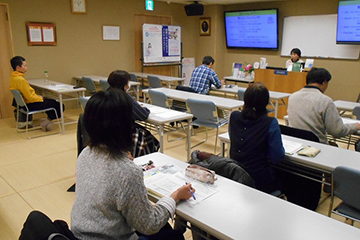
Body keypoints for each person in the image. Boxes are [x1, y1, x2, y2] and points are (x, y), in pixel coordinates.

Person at [71, 89, 195, 240]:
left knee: (165, 228)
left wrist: (122, 158)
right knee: (173, 236)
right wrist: (175, 196)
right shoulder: (126, 172)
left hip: (81, 233)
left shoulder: (86, 154)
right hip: (110, 237)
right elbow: (149, 225)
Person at [229, 83, 285, 194]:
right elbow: (277, 157)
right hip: (259, 180)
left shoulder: (234, 116)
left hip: (234, 174)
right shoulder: (271, 123)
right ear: (266, 102)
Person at [288, 67, 360, 144]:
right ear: (324, 82)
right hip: (317, 146)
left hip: (295, 143)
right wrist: (355, 126)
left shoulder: (292, 97)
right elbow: (337, 131)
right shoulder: (325, 101)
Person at [107, 70, 160, 157]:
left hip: (108, 132)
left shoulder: (105, 95)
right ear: (124, 85)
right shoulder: (125, 98)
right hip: (124, 133)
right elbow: (143, 115)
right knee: (149, 138)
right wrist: (145, 109)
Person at [9, 56, 63, 131]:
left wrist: (37, 96)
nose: (26, 67)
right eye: (24, 66)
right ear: (18, 67)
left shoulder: (13, 77)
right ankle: (47, 122)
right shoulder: (20, 80)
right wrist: (40, 98)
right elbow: (30, 98)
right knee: (59, 105)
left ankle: (48, 121)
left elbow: (28, 95)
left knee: (51, 101)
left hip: (24, 104)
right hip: (29, 104)